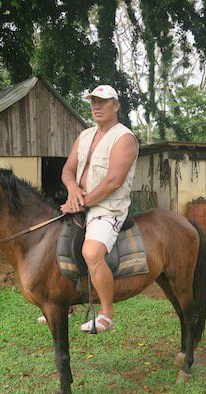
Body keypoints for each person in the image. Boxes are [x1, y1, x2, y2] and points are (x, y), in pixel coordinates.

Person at [59, 84, 138, 333]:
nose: (96, 106)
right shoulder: (85, 135)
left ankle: (106, 313)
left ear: (116, 106)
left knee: (92, 252)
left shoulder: (124, 138)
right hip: (80, 203)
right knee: (53, 242)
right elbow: (68, 170)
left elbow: (113, 182)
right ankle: (67, 303)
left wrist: (81, 202)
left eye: (102, 102)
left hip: (108, 208)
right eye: (93, 102)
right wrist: (72, 189)